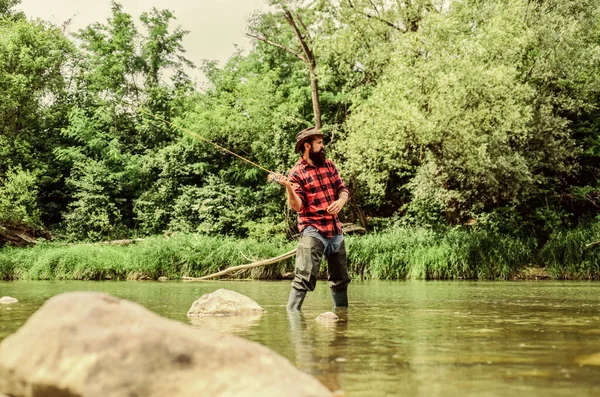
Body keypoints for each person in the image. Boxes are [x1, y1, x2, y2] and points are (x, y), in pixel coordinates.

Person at [275, 126, 351, 312]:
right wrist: (288, 187)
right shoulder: (296, 173)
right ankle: (293, 317)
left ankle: (341, 320)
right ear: (307, 146)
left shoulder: (329, 165)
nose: (323, 145)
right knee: (304, 277)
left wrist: (341, 201)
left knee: (341, 279)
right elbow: (297, 207)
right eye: (319, 143)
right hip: (312, 230)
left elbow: (343, 189)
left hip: (335, 230)